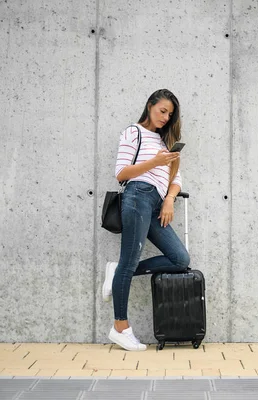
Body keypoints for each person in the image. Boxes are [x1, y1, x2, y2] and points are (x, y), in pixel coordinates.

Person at [103, 89, 190, 351]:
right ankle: (120, 328)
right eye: (162, 111)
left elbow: (176, 179)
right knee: (129, 263)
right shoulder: (134, 132)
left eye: (170, 114)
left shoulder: (166, 143)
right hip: (137, 196)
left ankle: (115, 271)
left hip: (156, 204)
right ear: (150, 105)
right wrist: (155, 162)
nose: (165, 117)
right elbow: (121, 173)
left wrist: (168, 200)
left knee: (180, 259)